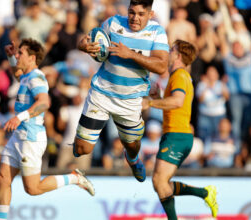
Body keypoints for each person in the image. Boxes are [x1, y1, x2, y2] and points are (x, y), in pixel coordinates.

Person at [0, 38, 94, 220]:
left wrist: (20, 116)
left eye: (20, 53)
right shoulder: (26, 76)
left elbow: (44, 102)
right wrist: (10, 58)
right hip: (19, 136)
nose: (17, 55)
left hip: (30, 138)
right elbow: (17, 74)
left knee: (32, 189)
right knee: (3, 178)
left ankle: (74, 178)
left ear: (32, 58)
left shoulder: (37, 78)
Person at [74, 0, 169, 182]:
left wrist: (130, 54)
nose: (134, 18)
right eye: (131, 12)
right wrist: (84, 46)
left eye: (141, 14)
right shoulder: (113, 23)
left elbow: (162, 65)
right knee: (81, 150)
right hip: (101, 93)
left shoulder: (157, 32)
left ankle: (132, 159)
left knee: (132, 146)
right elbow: (88, 41)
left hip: (131, 100)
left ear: (151, 14)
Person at [142, 40, 218, 219]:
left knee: (159, 181)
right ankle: (205, 193)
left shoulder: (179, 76)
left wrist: (150, 102)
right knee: (160, 183)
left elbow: (177, 102)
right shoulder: (177, 76)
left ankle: (203, 195)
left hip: (178, 135)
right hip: (173, 134)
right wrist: (157, 96)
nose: (168, 52)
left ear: (178, 55)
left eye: (171, 50)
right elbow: (175, 105)